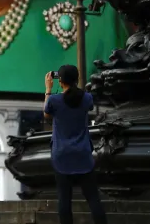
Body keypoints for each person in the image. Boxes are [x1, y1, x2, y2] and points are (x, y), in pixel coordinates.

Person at [44, 65, 107, 224]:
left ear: (61, 81)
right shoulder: (87, 98)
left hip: (62, 156)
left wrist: (48, 89)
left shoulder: (54, 100)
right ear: (77, 79)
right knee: (93, 198)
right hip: (83, 154)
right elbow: (88, 105)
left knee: (64, 200)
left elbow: (46, 115)